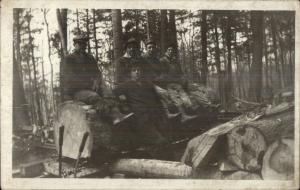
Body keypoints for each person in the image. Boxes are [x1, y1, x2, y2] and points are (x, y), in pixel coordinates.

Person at [114, 38, 171, 158]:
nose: (137, 72)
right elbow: (116, 89)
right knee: (160, 142)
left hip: (154, 116)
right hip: (141, 119)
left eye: (139, 70)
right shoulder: (124, 76)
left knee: (166, 138)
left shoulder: (146, 83)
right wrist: (122, 99)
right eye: (134, 71)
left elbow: (156, 100)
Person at [62, 33, 102, 103]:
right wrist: (90, 85)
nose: (83, 46)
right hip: (76, 91)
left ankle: (118, 113)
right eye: (80, 44)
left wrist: (97, 82)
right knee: (94, 97)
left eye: (84, 44)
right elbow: (70, 79)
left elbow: (97, 73)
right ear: (74, 45)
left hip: (93, 88)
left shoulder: (90, 58)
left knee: (110, 95)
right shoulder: (69, 59)